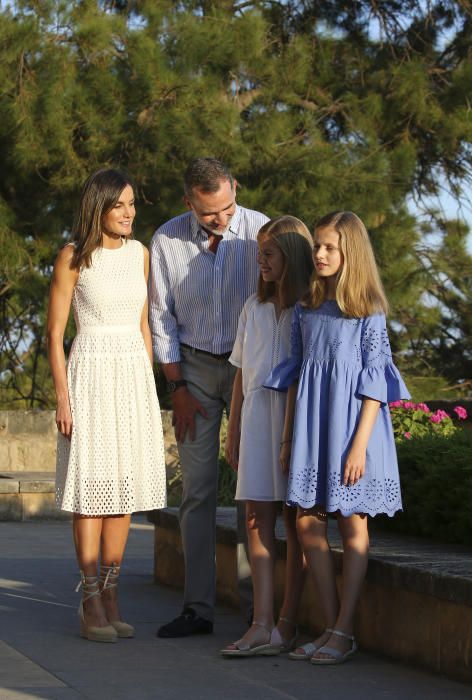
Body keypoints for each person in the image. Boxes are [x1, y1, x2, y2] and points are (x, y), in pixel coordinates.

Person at [265, 210, 409, 664]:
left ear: (351, 253)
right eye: (317, 246)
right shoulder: (305, 308)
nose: (320, 254)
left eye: (330, 247)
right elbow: (293, 378)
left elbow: (375, 385)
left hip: (353, 432)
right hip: (311, 427)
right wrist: (289, 439)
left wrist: (360, 446)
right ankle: (332, 626)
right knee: (307, 521)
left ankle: (344, 631)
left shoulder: (368, 311)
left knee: (352, 525)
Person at [149, 158, 268, 637]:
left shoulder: (262, 231)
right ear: (189, 203)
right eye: (208, 214)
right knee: (196, 492)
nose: (221, 220)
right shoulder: (166, 239)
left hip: (250, 372)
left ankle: (255, 609)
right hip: (194, 371)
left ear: (234, 188)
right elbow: (161, 318)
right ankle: (197, 608)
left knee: (249, 490)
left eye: (226, 207)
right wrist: (176, 387)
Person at [47, 168, 166, 643]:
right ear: (98, 207)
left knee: (122, 491)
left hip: (131, 376)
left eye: (132, 204)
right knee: (92, 491)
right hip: (91, 374)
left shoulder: (141, 254)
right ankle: (90, 597)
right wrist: (63, 397)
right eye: (119, 205)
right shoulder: (73, 257)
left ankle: (113, 595)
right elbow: (56, 335)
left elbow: (143, 325)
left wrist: (149, 388)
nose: (129, 213)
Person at [221, 216, 313, 657]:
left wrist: (293, 436)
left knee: (296, 524)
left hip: (295, 422)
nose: (261, 260)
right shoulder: (251, 309)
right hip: (257, 418)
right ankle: (259, 621)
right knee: (256, 519)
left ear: (292, 257)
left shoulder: (308, 310)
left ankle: (287, 623)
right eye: (260, 252)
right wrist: (233, 429)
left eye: (270, 253)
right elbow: (240, 375)